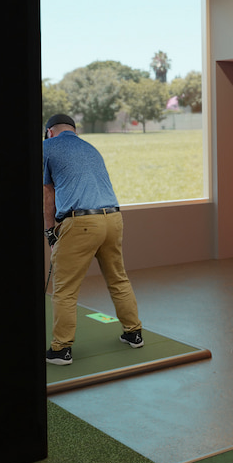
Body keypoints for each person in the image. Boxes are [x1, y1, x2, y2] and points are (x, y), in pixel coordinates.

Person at [42, 113, 145, 365]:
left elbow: (47, 194)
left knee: (64, 289)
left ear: (50, 132)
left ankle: (61, 349)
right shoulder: (90, 148)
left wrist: (49, 231)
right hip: (112, 218)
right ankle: (134, 333)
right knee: (118, 278)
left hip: (81, 222)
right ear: (74, 131)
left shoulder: (47, 147)